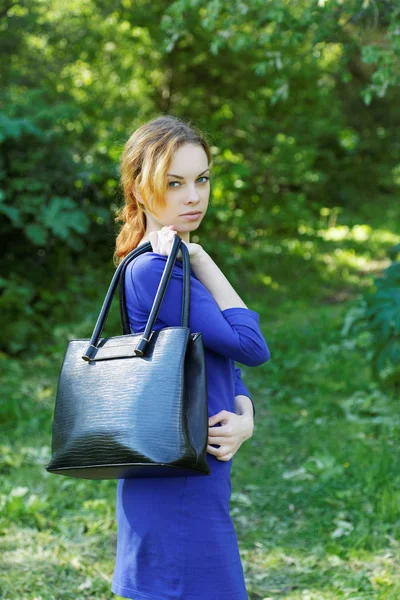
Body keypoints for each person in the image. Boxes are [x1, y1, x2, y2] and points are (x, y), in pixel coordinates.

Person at [111, 115, 270, 600]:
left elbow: (215, 359)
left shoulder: (163, 264)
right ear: (140, 189)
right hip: (178, 480)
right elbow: (251, 346)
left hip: (185, 468)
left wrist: (245, 414)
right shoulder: (158, 271)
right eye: (174, 183)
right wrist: (202, 260)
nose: (193, 196)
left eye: (201, 179)